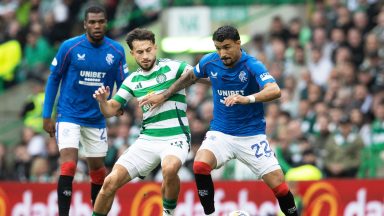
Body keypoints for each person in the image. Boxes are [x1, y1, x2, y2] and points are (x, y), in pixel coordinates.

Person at [140, 25, 298, 216]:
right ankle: (210, 214)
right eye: (218, 48)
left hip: (251, 136)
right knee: (200, 165)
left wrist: (247, 98)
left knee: (280, 186)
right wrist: (164, 95)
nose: (222, 53)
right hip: (221, 133)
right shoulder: (210, 61)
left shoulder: (252, 65)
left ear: (238, 43)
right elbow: (190, 77)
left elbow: (275, 90)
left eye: (227, 47)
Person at [92, 28, 194, 216]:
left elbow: (195, 74)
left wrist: (164, 95)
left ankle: (168, 213)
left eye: (149, 50)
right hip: (147, 140)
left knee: (170, 168)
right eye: (140, 52)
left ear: (155, 48)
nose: (145, 55)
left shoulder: (172, 67)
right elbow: (110, 110)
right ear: (132, 53)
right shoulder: (132, 80)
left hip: (175, 136)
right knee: (109, 182)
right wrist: (102, 102)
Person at [42, 5, 128, 216]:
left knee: (98, 172)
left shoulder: (116, 51)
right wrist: (46, 114)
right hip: (68, 113)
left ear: (106, 23)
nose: (97, 26)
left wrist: (119, 104)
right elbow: (54, 79)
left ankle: (96, 213)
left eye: (100, 22)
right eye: (92, 22)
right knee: (69, 166)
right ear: (85, 24)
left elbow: (125, 84)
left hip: (96, 118)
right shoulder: (70, 47)